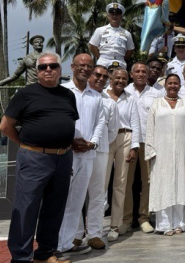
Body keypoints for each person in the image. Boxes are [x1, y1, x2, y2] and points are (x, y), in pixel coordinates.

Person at [0, 52, 81, 263]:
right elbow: (5, 126)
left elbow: (68, 123)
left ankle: (45, 253)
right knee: (26, 208)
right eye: (43, 67)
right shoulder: (25, 94)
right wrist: (27, 145)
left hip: (63, 158)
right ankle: (20, 258)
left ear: (59, 70)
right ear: (37, 71)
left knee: (54, 208)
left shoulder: (68, 95)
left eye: (53, 66)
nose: (48, 70)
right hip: (34, 157)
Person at [55, 54, 106, 255]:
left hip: (88, 154)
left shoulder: (96, 96)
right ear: (73, 67)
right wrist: (70, 140)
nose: (85, 68)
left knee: (77, 200)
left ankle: (68, 242)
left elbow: (100, 122)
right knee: (62, 198)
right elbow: (58, 120)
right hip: (66, 152)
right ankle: (57, 243)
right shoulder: (63, 92)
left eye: (89, 66)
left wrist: (92, 143)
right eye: (81, 65)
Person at [145, 73, 185, 235]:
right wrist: (150, 150)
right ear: (165, 85)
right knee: (164, 186)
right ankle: (164, 225)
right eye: (170, 83)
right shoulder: (157, 104)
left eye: (176, 83)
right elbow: (150, 129)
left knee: (179, 186)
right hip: (161, 153)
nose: (173, 86)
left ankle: (179, 224)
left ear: (179, 86)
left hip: (182, 151)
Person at [72, 65, 117, 250]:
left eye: (105, 76)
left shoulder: (109, 102)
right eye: (97, 74)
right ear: (89, 75)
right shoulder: (73, 95)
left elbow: (112, 131)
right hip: (76, 149)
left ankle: (95, 234)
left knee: (98, 194)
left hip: (100, 152)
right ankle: (75, 234)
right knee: (76, 194)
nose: (100, 79)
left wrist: (97, 143)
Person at [122, 62, 162, 234]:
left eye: (144, 72)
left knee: (147, 181)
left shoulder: (156, 93)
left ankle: (144, 217)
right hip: (128, 141)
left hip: (148, 139)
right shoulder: (124, 91)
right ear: (131, 74)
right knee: (126, 182)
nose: (141, 74)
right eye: (137, 71)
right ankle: (125, 219)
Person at [104, 68, 140, 241]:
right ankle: (95, 227)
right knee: (101, 184)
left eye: (124, 78)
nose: (120, 81)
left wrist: (134, 147)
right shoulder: (102, 95)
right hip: (105, 139)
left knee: (120, 183)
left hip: (125, 137)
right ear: (111, 78)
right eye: (117, 77)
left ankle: (115, 226)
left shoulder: (130, 98)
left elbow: (135, 123)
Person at [88, 3, 135, 69]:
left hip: (120, 61)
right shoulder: (100, 30)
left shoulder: (127, 33)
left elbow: (130, 50)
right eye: (112, 14)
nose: (114, 16)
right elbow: (92, 45)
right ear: (108, 16)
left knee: (120, 79)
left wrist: (121, 58)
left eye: (117, 14)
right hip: (103, 60)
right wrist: (100, 56)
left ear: (121, 17)